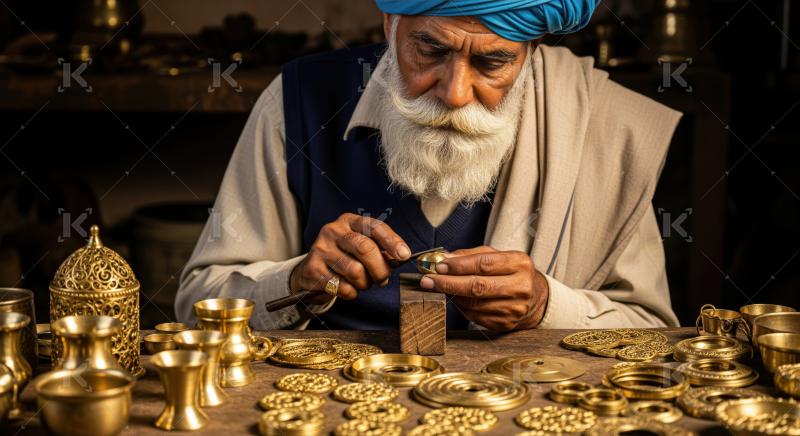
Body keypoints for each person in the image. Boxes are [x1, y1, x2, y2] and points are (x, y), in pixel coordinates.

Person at [175, 0, 681, 332]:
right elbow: (198, 304)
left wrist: (545, 306)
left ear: (529, 53)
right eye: (430, 50)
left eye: (492, 63)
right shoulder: (298, 100)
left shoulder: (600, 127)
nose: (454, 93)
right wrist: (296, 281)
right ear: (390, 25)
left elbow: (652, 329)